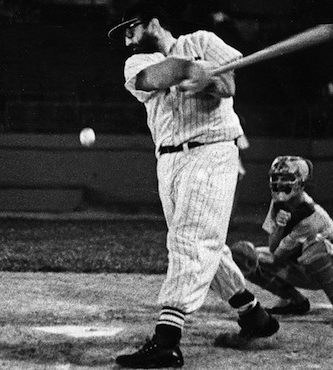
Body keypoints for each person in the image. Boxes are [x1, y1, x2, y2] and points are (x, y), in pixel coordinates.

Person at [107, 1, 279, 367]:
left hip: (211, 151)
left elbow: (228, 83)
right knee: (205, 245)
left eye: (130, 29)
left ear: (152, 21)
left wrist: (208, 82)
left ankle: (167, 339)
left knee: (189, 240)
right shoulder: (137, 62)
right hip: (168, 161)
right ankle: (253, 315)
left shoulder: (203, 39)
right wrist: (188, 69)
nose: (127, 40)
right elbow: (155, 78)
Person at [230, 156, 333, 327]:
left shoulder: (311, 215)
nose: (279, 183)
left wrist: (281, 226)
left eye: (287, 178)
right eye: (276, 177)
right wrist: (279, 225)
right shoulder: (277, 202)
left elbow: (278, 255)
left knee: (314, 245)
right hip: (300, 261)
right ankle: (294, 301)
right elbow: (273, 247)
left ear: (301, 182)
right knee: (244, 257)